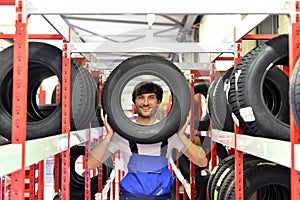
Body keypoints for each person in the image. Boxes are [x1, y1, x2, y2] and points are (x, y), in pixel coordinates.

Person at [87, 81, 208, 199]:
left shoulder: (168, 133)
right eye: (141, 97)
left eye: (151, 97)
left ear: (159, 101)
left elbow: (202, 161)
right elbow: (91, 164)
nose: (145, 103)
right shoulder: (124, 133)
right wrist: (108, 136)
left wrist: (181, 136)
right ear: (134, 101)